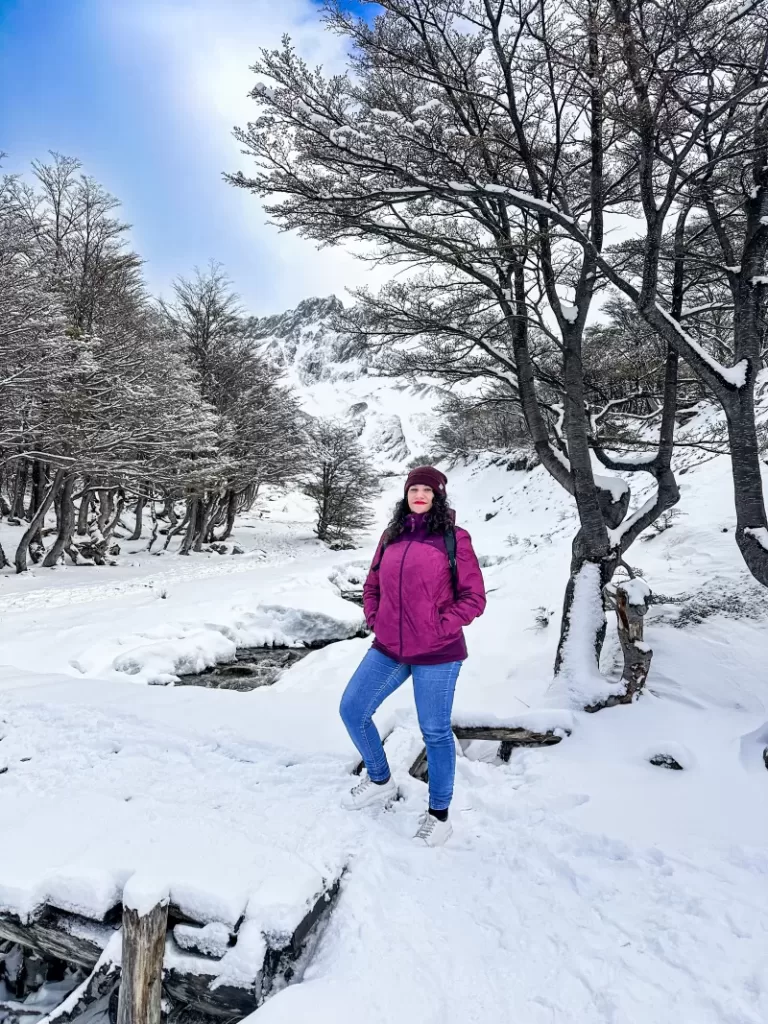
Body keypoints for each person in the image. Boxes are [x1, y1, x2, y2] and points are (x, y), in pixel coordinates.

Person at [339, 465, 486, 847]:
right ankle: (380, 780)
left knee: (435, 732)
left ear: (438, 496)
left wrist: (440, 625)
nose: (419, 495)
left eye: (427, 490)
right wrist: (374, 617)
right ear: (405, 495)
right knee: (353, 709)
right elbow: (372, 584)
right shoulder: (392, 536)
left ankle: (439, 816)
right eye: (413, 489)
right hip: (390, 645)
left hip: (438, 651)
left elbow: (474, 598)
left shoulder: (454, 538)